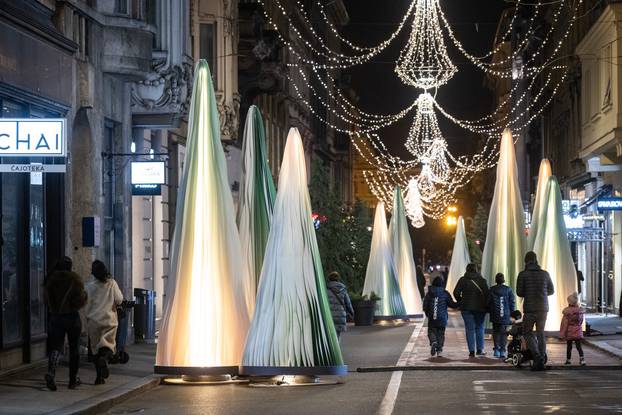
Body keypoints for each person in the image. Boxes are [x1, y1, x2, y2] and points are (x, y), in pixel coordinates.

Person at [43, 257, 87, 391]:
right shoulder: (75, 280)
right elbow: (80, 300)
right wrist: (83, 298)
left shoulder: (50, 280)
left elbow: (47, 300)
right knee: (74, 348)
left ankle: (51, 372)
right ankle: (72, 381)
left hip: (56, 317)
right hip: (72, 317)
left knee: (56, 347)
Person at [85, 260, 123, 384]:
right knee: (108, 346)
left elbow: (85, 303)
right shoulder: (111, 283)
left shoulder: (89, 286)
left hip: (94, 321)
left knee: (96, 348)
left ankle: (99, 377)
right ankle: (104, 359)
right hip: (109, 320)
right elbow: (119, 299)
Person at [516, 251, 554, 371]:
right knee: (541, 333)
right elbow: (551, 291)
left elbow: (519, 292)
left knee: (527, 333)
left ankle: (537, 357)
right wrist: (542, 293)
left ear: (526, 261)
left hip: (530, 309)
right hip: (543, 308)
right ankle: (541, 359)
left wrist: (529, 292)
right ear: (536, 260)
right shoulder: (545, 274)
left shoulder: (523, 274)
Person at [454, 263, 489, 358]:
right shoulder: (482, 281)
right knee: (480, 328)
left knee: (469, 329)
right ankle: (480, 349)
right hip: (480, 308)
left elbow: (456, 292)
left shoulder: (462, 280)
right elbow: (487, 294)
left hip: (466, 308)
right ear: (476, 270)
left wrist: (460, 301)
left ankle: (471, 351)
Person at [423, 276, 459, 357]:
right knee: (441, 333)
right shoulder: (445, 293)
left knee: (431, 331)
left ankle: (433, 342)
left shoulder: (429, 293)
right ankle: (439, 350)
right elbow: (452, 304)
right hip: (442, 317)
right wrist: (460, 302)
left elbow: (425, 305)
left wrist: (427, 313)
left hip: (432, 316)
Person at [488, 273, 516, 359]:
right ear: (503, 280)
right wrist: (512, 313)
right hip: (505, 315)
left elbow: (488, 302)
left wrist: (489, 310)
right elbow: (512, 302)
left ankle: (496, 350)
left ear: (496, 280)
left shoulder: (492, 289)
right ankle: (503, 351)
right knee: (504, 333)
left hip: (495, 314)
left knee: (496, 332)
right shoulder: (508, 290)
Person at [326, 272, 354, 340]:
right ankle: (337, 348)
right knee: (337, 334)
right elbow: (348, 303)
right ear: (338, 279)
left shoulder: (326, 289)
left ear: (329, 279)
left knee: (329, 335)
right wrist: (351, 312)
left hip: (329, 315)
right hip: (340, 314)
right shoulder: (343, 289)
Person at [560, 292, 586, 366]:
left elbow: (564, 324)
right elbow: (581, 322)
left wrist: (562, 334)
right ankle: (582, 359)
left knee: (569, 346)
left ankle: (568, 360)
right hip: (578, 330)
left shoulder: (567, 312)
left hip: (569, 331)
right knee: (579, 346)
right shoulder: (580, 311)